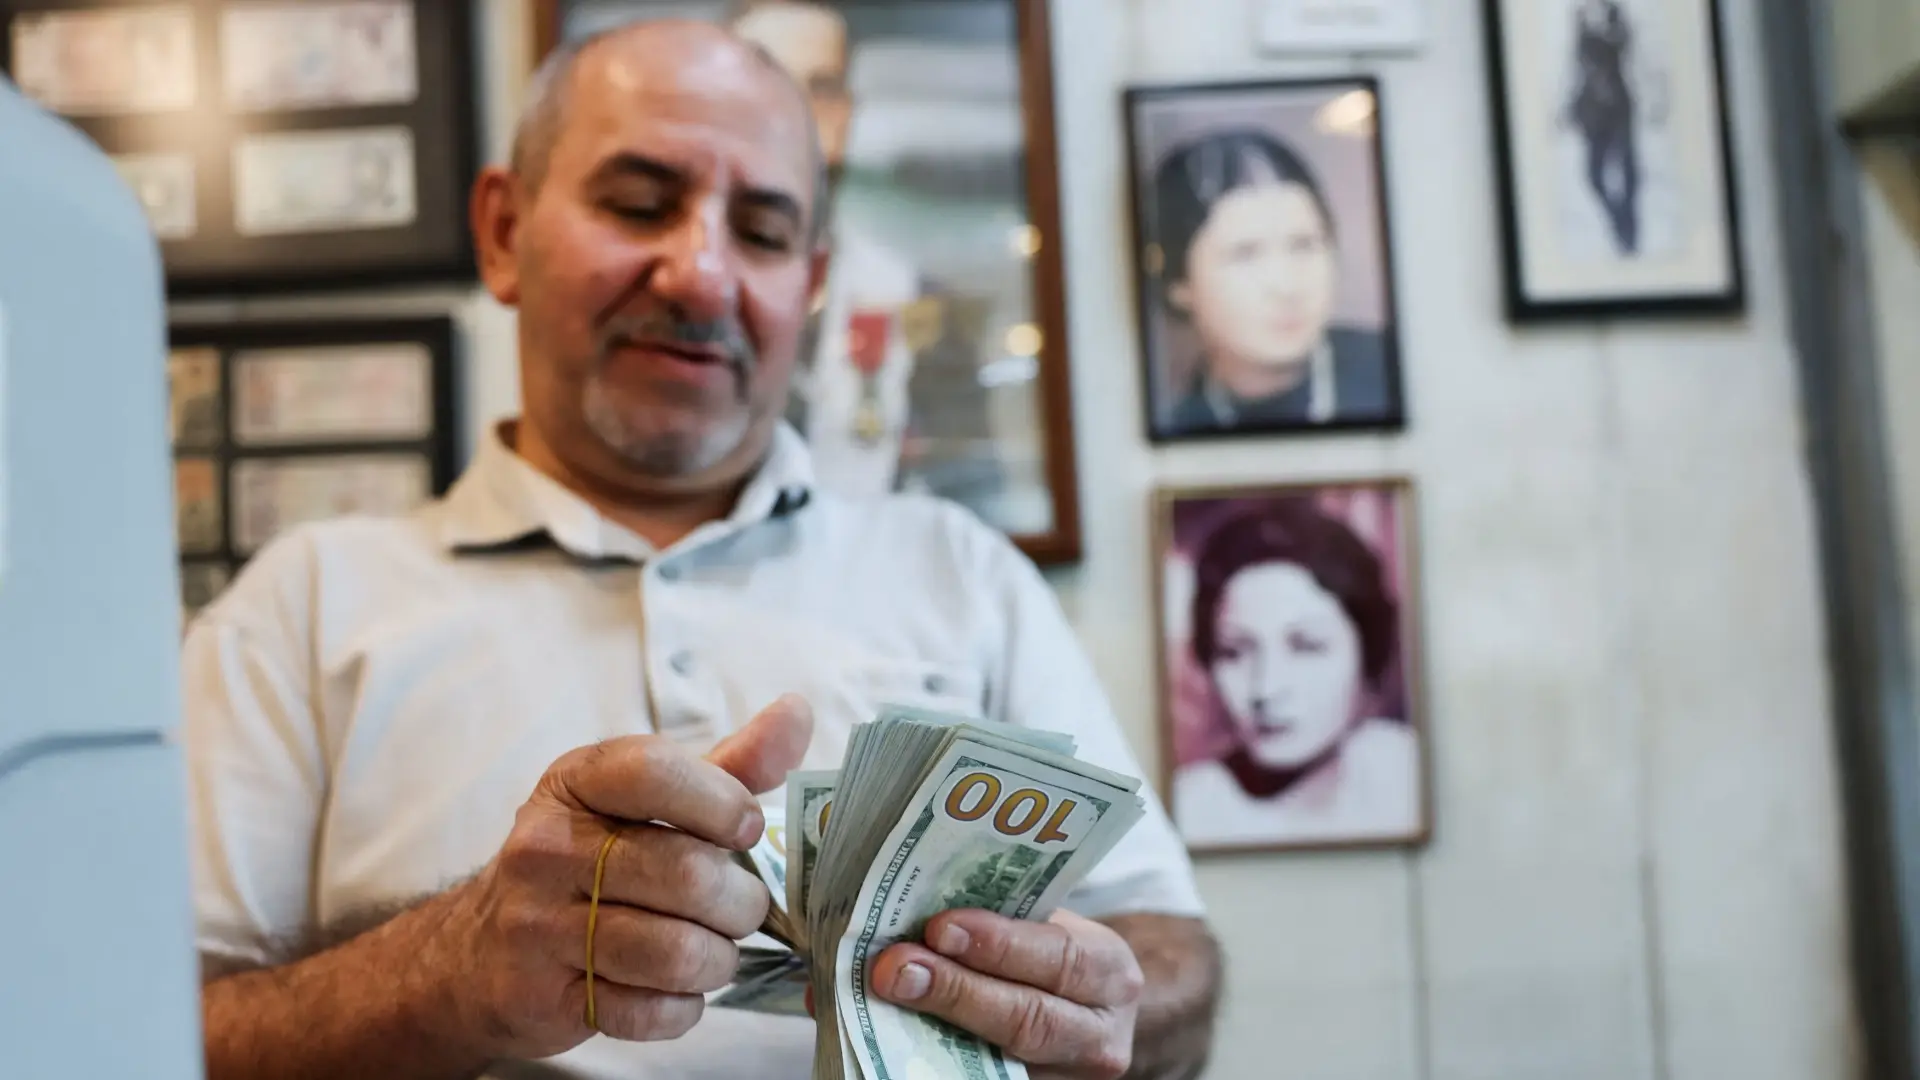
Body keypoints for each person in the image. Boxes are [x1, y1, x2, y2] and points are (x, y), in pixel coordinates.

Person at [184, 19, 1220, 1080]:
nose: (701, 277)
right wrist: (449, 966)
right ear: (502, 232)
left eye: (763, 234)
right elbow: (145, 1030)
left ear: (810, 283)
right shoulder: (300, 608)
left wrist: (1092, 1005)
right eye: (638, 207)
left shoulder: (964, 572)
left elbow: (1174, 970)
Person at [1170, 501, 1420, 847]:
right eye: (1234, 652)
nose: (1265, 688)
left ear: (1368, 650)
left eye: (1306, 646)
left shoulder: (1407, 770)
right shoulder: (1191, 806)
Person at [1150, 128, 1397, 437]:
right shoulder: (1177, 427)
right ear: (1179, 284)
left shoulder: (1394, 369)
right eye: (1245, 254)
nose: (1286, 287)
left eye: (1303, 245)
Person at [1567, 0, 1639, 254]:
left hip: (1618, 111)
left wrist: (1613, 14)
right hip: (1594, 116)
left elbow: (1624, 40)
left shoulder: (1614, 32)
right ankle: (1619, 223)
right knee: (1594, 176)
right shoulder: (1583, 35)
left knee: (1628, 176)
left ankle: (1627, 233)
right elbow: (1577, 69)